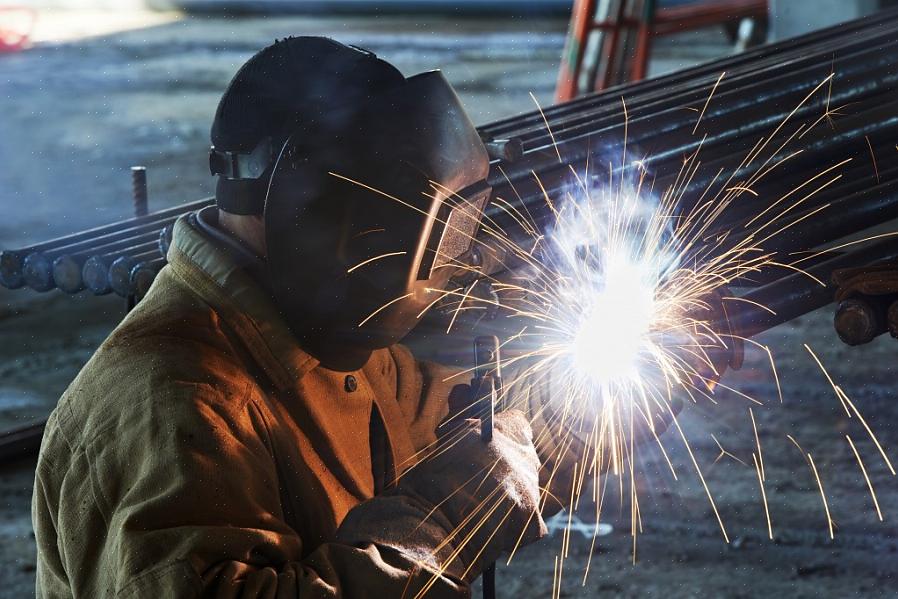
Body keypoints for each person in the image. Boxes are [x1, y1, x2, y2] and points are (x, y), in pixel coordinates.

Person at [32, 37, 736, 598]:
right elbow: (463, 491)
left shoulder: (333, 343)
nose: (434, 272)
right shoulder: (176, 402)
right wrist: (454, 509)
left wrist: (589, 416)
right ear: (325, 208)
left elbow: (485, 447)